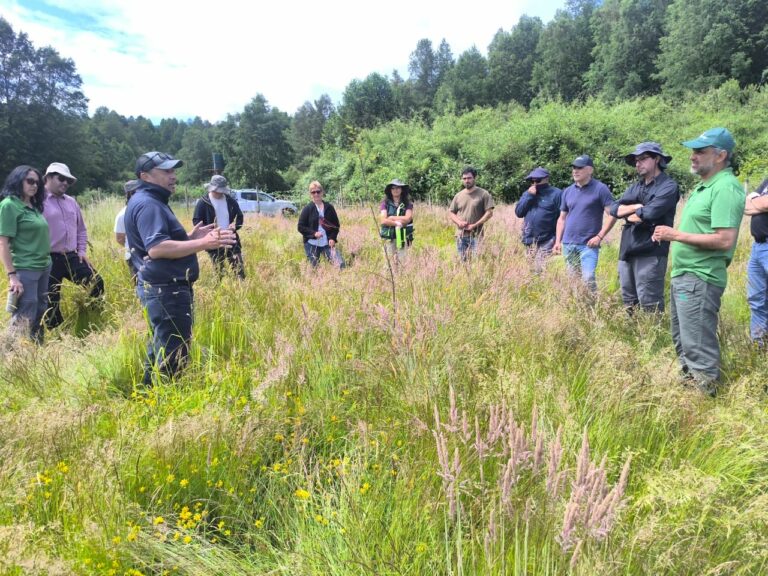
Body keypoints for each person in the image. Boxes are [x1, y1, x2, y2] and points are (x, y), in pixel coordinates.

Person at [124, 151, 236, 386]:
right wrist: (204, 243)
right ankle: (167, 399)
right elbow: (157, 248)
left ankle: (147, 394)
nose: (173, 176)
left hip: (163, 288)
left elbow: (156, 244)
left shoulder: (150, 200)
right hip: (166, 290)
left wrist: (189, 238)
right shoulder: (148, 204)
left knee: (161, 345)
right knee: (174, 353)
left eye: (173, 171)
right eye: (166, 171)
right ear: (145, 176)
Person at [652, 128, 745, 396]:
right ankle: (688, 398)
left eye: (700, 152)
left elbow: (724, 240)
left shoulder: (725, 188)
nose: (693, 156)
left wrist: (675, 235)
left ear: (721, 156)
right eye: (693, 151)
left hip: (700, 278)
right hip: (686, 276)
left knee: (697, 345)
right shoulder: (704, 186)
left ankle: (706, 401)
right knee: (683, 341)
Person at [609, 142, 680, 313]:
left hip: (651, 251)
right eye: (636, 160)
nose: (637, 163)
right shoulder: (636, 186)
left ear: (657, 159)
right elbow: (614, 209)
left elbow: (649, 213)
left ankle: (651, 331)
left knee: (650, 303)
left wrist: (631, 213)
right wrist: (636, 207)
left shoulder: (668, 186)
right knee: (628, 302)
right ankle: (632, 331)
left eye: (642, 159)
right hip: (627, 249)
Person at [42, 162, 104, 329]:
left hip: (71, 255)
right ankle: (58, 333)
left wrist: (82, 250)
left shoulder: (71, 202)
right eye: (61, 178)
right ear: (48, 177)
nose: (65, 183)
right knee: (50, 298)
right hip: (47, 258)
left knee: (96, 282)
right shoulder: (37, 201)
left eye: (68, 181)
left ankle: (93, 318)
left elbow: (81, 229)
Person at [0, 166, 51, 343]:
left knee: (41, 308)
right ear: (18, 180)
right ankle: (13, 351)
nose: (34, 185)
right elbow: (3, 243)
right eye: (30, 181)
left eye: (37, 182)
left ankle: (36, 349)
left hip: (44, 265)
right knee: (25, 312)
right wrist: (12, 276)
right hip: (25, 267)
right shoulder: (9, 205)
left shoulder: (33, 205)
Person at [553, 155, 616, 292]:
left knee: (588, 278)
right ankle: (579, 304)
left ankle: (592, 303)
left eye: (580, 168)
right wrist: (558, 241)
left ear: (590, 170)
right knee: (573, 282)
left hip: (588, 245)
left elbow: (613, 214)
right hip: (568, 243)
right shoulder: (567, 191)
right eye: (574, 168)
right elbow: (561, 218)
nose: (575, 171)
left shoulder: (600, 189)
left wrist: (599, 236)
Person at [192, 175, 245, 279]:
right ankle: (221, 286)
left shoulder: (230, 200)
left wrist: (235, 226)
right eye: (217, 190)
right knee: (219, 271)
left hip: (231, 238)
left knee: (239, 270)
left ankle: (241, 286)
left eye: (222, 190)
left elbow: (240, 216)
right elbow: (196, 221)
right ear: (212, 188)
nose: (220, 193)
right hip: (214, 239)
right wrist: (209, 233)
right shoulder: (203, 202)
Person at [514, 166, 562, 273]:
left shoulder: (556, 194)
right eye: (532, 181)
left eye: (538, 180)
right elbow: (519, 212)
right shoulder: (527, 193)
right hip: (529, 240)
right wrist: (529, 196)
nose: (535, 183)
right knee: (530, 271)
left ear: (546, 179)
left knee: (539, 269)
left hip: (547, 239)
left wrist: (558, 240)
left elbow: (562, 218)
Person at [448, 167, 495, 261]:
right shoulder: (458, 195)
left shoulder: (483, 194)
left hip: (476, 236)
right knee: (462, 263)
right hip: (461, 235)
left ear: (475, 178)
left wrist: (474, 225)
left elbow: (489, 213)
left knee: (477, 262)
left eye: (469, 178)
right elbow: (451, 212)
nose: (467, 181)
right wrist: (459, 222)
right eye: (464, 178)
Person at [745, 178, 768, 346]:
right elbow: (745, 205)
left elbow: (764, 203)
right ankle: (759, 346)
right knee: (756, 299)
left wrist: (756, 201)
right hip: (758, 247)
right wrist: (759, 202)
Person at [298, 181, 342, 267]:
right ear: (310, 194)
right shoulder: (307, 209)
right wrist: (314, 233)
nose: (316, 194)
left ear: (322, 192)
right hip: (311, 243)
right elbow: (300, 227)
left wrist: (332, 238)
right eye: (313, 192)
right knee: (315, 268)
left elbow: (336, 226)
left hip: (327, 243)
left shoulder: (329, 207)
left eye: (318, 191)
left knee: (340, 265)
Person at [114, 180, 142, 285]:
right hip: (133, 256)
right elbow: (120, 238)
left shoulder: (147, 209)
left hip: (151, 255)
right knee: (139, 285)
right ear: (130, 194)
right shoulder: (122, 215)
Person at [379, 179, 414, 264]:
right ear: (390, 190)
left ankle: (401, 274)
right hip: (389, 237)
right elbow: (383, 220)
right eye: (393, 188)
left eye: (398, 187)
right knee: (389, 263)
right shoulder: (385, 203)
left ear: (402, 189)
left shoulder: (408, 203)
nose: (395, 190)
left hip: (403, 236)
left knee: (402, 262)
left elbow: (408, 218)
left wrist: (391, 217)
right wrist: (396, 223)